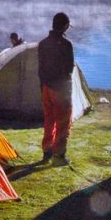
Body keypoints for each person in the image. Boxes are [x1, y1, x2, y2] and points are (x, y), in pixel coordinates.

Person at [38, 12, 74, 166]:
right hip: (61, 89)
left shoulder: (43, 43)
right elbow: (69, 69)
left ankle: (47, 151)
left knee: (49, 119)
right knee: (63, 122)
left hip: (46, 87)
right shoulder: (66, 45)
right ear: (65, 26)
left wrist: (43, 86)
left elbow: (40, 68)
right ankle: (59, 155)